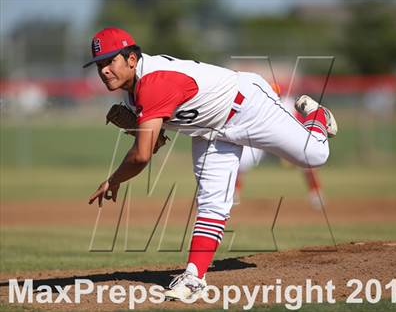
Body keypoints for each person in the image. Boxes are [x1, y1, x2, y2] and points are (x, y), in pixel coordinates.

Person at [85, 27, 338, 302]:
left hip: (246, 107)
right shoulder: (133, 91)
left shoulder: (153, 83)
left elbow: (142, 155)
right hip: (208, 131)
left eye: (110, 61)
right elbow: (155, 142)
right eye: (100, 65)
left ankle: (317, 115)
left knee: (314, 155)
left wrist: (114, 179)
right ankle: (194, 278)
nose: (104, 71)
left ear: (131, 59)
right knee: (212, 203)